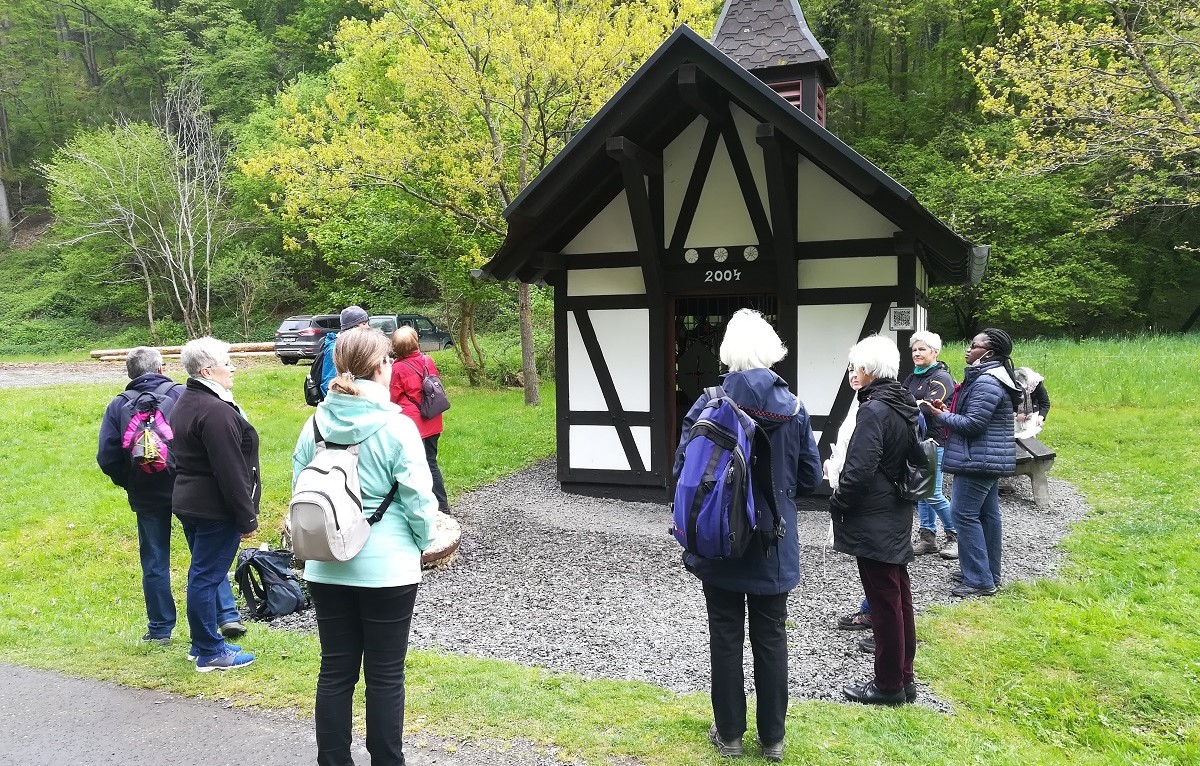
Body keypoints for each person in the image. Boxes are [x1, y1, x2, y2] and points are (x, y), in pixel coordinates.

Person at [674, 309, 822, 762]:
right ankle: (773, 739)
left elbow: (683, 467)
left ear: (730, 350)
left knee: (724, 635)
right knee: (772, 637)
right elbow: (811, 478)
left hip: (718, 540)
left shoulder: (709, 402)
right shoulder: (793, 407)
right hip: (772, 543)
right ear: (771, 348)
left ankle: (731, 735)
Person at [294, 328, 438, 766]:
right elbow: (418, 498)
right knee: (385, 675)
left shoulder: (315, 422)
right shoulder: (397, 426)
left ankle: (333, 761)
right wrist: (424, 542)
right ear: (380, 366)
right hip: (388, 566)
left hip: (327, 563)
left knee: (335, 670)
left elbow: (301, 485)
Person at [830, 335, 920, 707]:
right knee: (898, 596)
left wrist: (838, 501)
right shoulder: (903, 402)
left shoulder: (873, 409)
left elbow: (860, 468)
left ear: (868, 371)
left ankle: (887, 686)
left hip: (874, 513)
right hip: (896, 508)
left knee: (884, 601)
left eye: (855, 367)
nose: (853, 373)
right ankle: (904, 676)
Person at [171, 337, 260, 671]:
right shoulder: (215, 410)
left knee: (201, 575)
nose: (233, 367)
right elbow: (230, 470)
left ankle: (201, 644)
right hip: (213, 508)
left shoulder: (189, 399)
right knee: (206, 577)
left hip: (190, 501)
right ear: (207, 370)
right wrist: (246, 517)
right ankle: (209, 650)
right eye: (227, 362)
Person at [97, 347, 187, 644]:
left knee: (154, 560)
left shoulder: (118, 405)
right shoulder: (180, 395)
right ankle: (224, 617)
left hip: (145, 491)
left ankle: (160, 629)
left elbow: (107, 457)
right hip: (186, 487)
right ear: (161, 368)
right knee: (203, 555)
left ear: (129, 373)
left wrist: (130, 481)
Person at [928, 328, 1021, 598]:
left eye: (974, 346)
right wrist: (948, 412)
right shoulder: (992, 378)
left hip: (977, 460)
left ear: (989, 353)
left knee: (963, 515)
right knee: (987, 516)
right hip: (985, 459)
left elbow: (973, 424)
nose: (968, 350)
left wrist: (939, 416)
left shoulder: (986, 382)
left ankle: (979, 580)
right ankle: (987, 572)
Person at [904, 331, 958, 558]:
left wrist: (913, 404)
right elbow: (905, 401)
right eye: (914, 349)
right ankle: (928, 538)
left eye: (922, 349)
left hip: (935, 440)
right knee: (921, 490)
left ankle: (957, 535)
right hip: (917, 440)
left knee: (933, 492)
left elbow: (927, 408)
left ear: (935, 352)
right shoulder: (913, 377)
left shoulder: (941, 377)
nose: (917, 353)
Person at [389, 326, 450, 513]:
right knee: (431, 462)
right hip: (433, 420)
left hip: (412, 426)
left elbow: (392, 398)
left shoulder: (396, 369)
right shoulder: (427, 360)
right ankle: (442, 506)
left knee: (413, 467)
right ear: (416, 343)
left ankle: (420, 507)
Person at [318, 306, 371, 398]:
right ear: (353, 327)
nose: (368, 327)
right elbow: (328, 384)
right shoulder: (335, 349)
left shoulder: (355, 346)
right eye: (364, 324)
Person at [1013, 366, 1051, 438]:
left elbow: (1045, 403)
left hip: (1033, 410)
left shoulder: (1035, 383)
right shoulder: (1009, 385)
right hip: (1014, 413)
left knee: (1030, 436)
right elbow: (1004, 405)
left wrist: (1040, 418)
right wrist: (1016, 416)